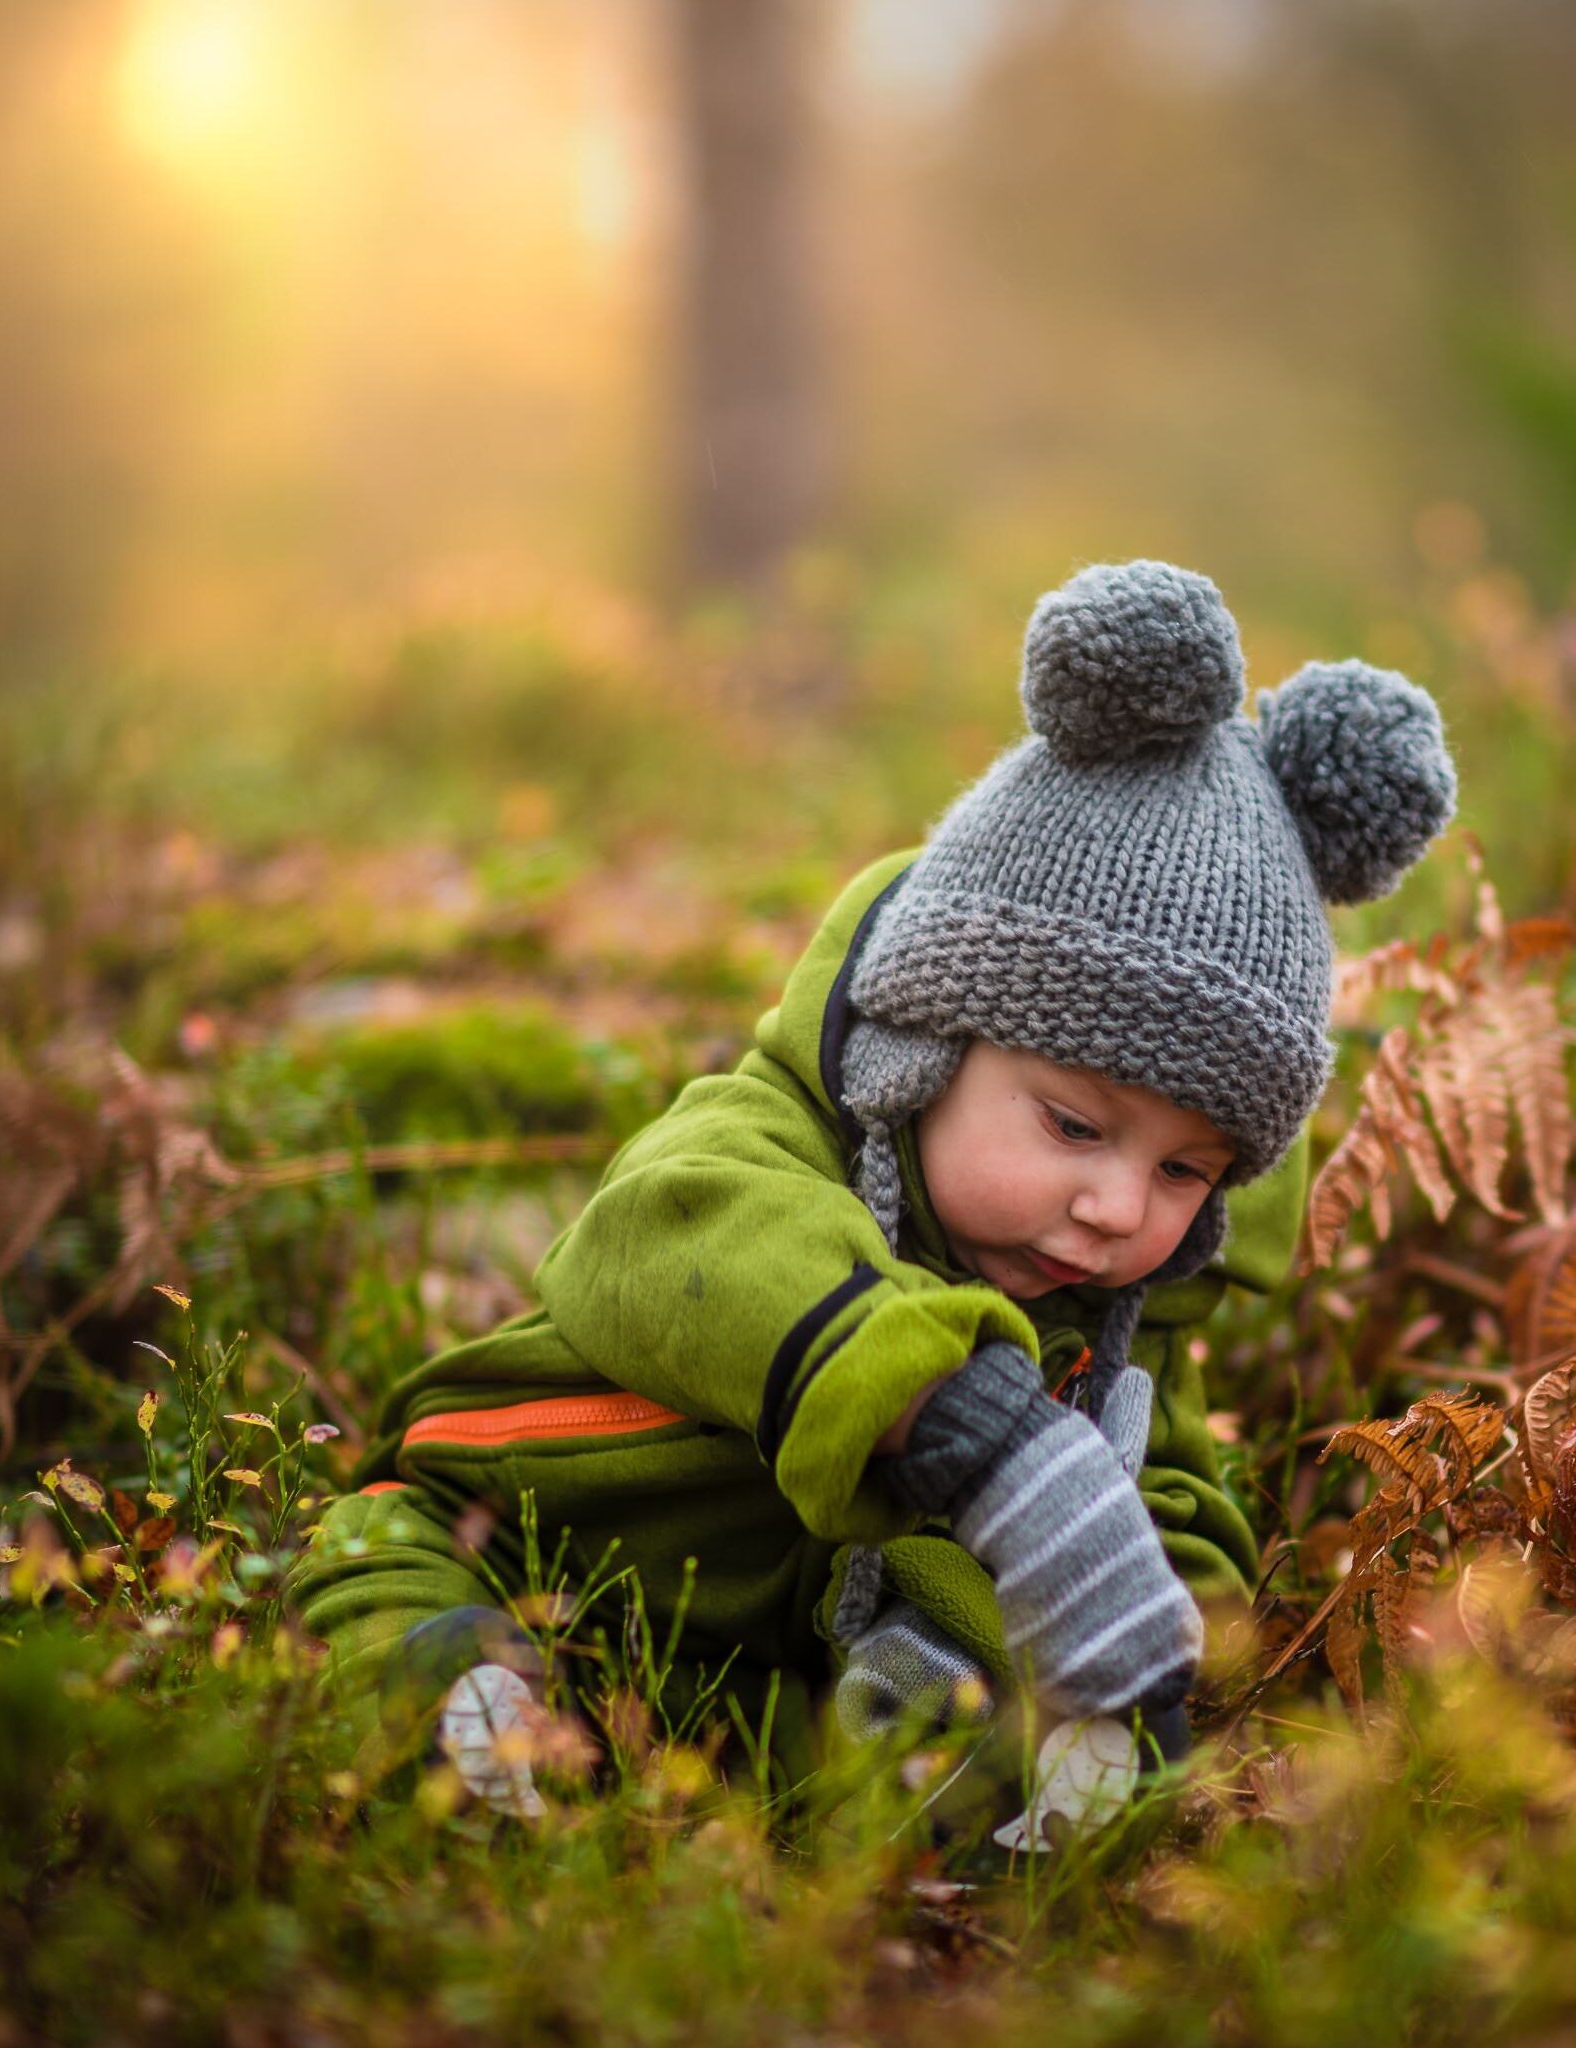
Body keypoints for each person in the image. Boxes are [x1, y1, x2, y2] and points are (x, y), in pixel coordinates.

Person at [288, 558, 1456, 1818]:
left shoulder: (1115, 1315)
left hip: (757, 1667)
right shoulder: (756, 1146)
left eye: (1184, 1169)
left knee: (946, 1728)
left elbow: (1165, 1485)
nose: (1118, 1207)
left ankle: (905, 1778)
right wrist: (967, 1422)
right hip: (516, 1525)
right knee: (389, 1576)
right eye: (1073, 1125)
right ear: (924, 1047)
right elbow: (675, 1236)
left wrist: (1144, 1641)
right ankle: (462, 1707)